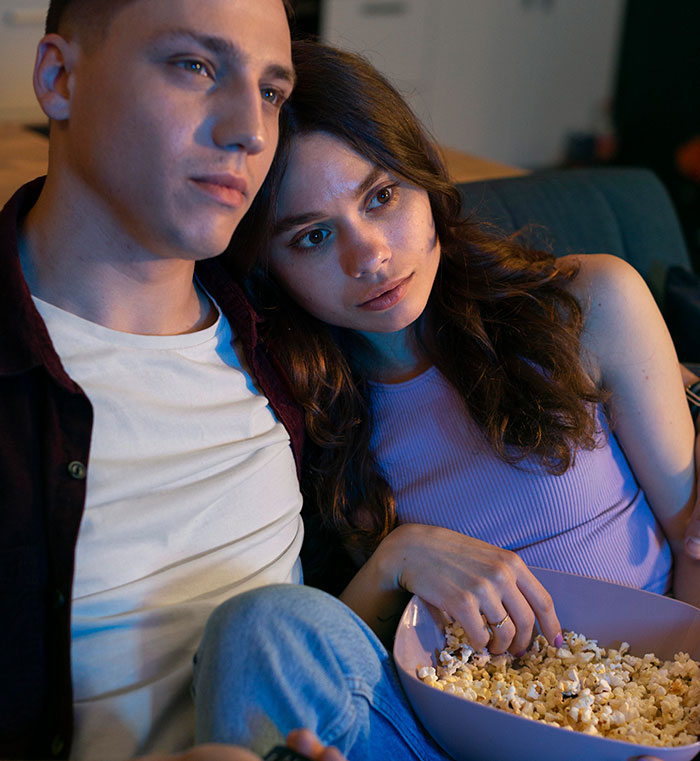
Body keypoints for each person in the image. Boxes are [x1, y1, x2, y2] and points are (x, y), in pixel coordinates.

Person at [231, 39, 700, 634]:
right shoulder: (303, 419)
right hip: (464, 718)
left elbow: (695, 542)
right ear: (269, 267)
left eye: (382, 197)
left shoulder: (590, 303)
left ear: (424, 179)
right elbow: (345, 663)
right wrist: (394, 561)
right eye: (313, 237)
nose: (369, 256)